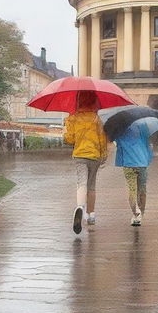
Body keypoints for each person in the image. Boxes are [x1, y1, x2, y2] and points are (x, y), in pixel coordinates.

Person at [63, 91, 108, 234]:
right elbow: (102, 139)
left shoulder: (73, 118)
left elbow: (69, 140)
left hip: (80, 155)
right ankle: (91, 215)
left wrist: (66, 129)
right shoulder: (96, 119)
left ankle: (80, 207)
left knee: (81, 183)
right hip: (94, 156)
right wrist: (103, 156)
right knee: (91, 186)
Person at [114, 118, 155, 227]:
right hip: (142, 163)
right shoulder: (143, 127)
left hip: (128, 163)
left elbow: (118, 144)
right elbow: (148, 145)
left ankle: (136, 213)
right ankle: (141, 214)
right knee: (142, 189)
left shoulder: (121, 129)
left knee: (132, 189)